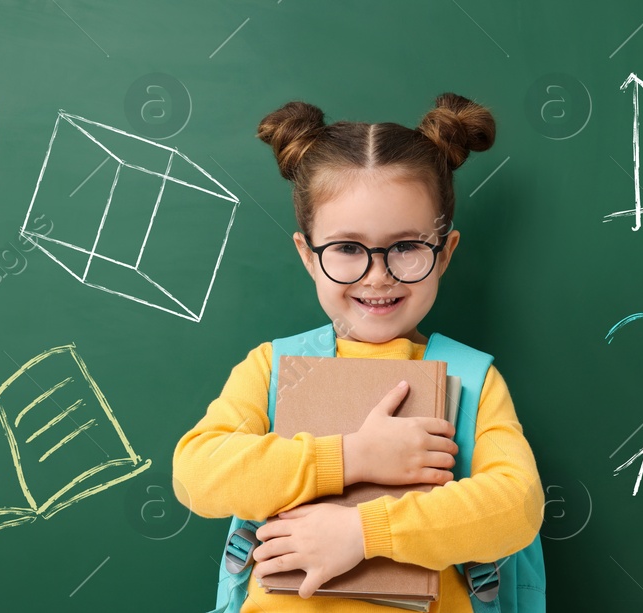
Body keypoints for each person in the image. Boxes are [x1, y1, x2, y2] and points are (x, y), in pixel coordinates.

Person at [173, 92, 543, 612]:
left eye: (407, 246)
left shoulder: (471, 380)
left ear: (445, 254)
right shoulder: (272, 368)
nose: (378, 275)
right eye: (347, 248)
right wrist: (352, 457)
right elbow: (198, 473)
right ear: (307, 254)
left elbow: (517, 507)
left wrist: (363, 533)